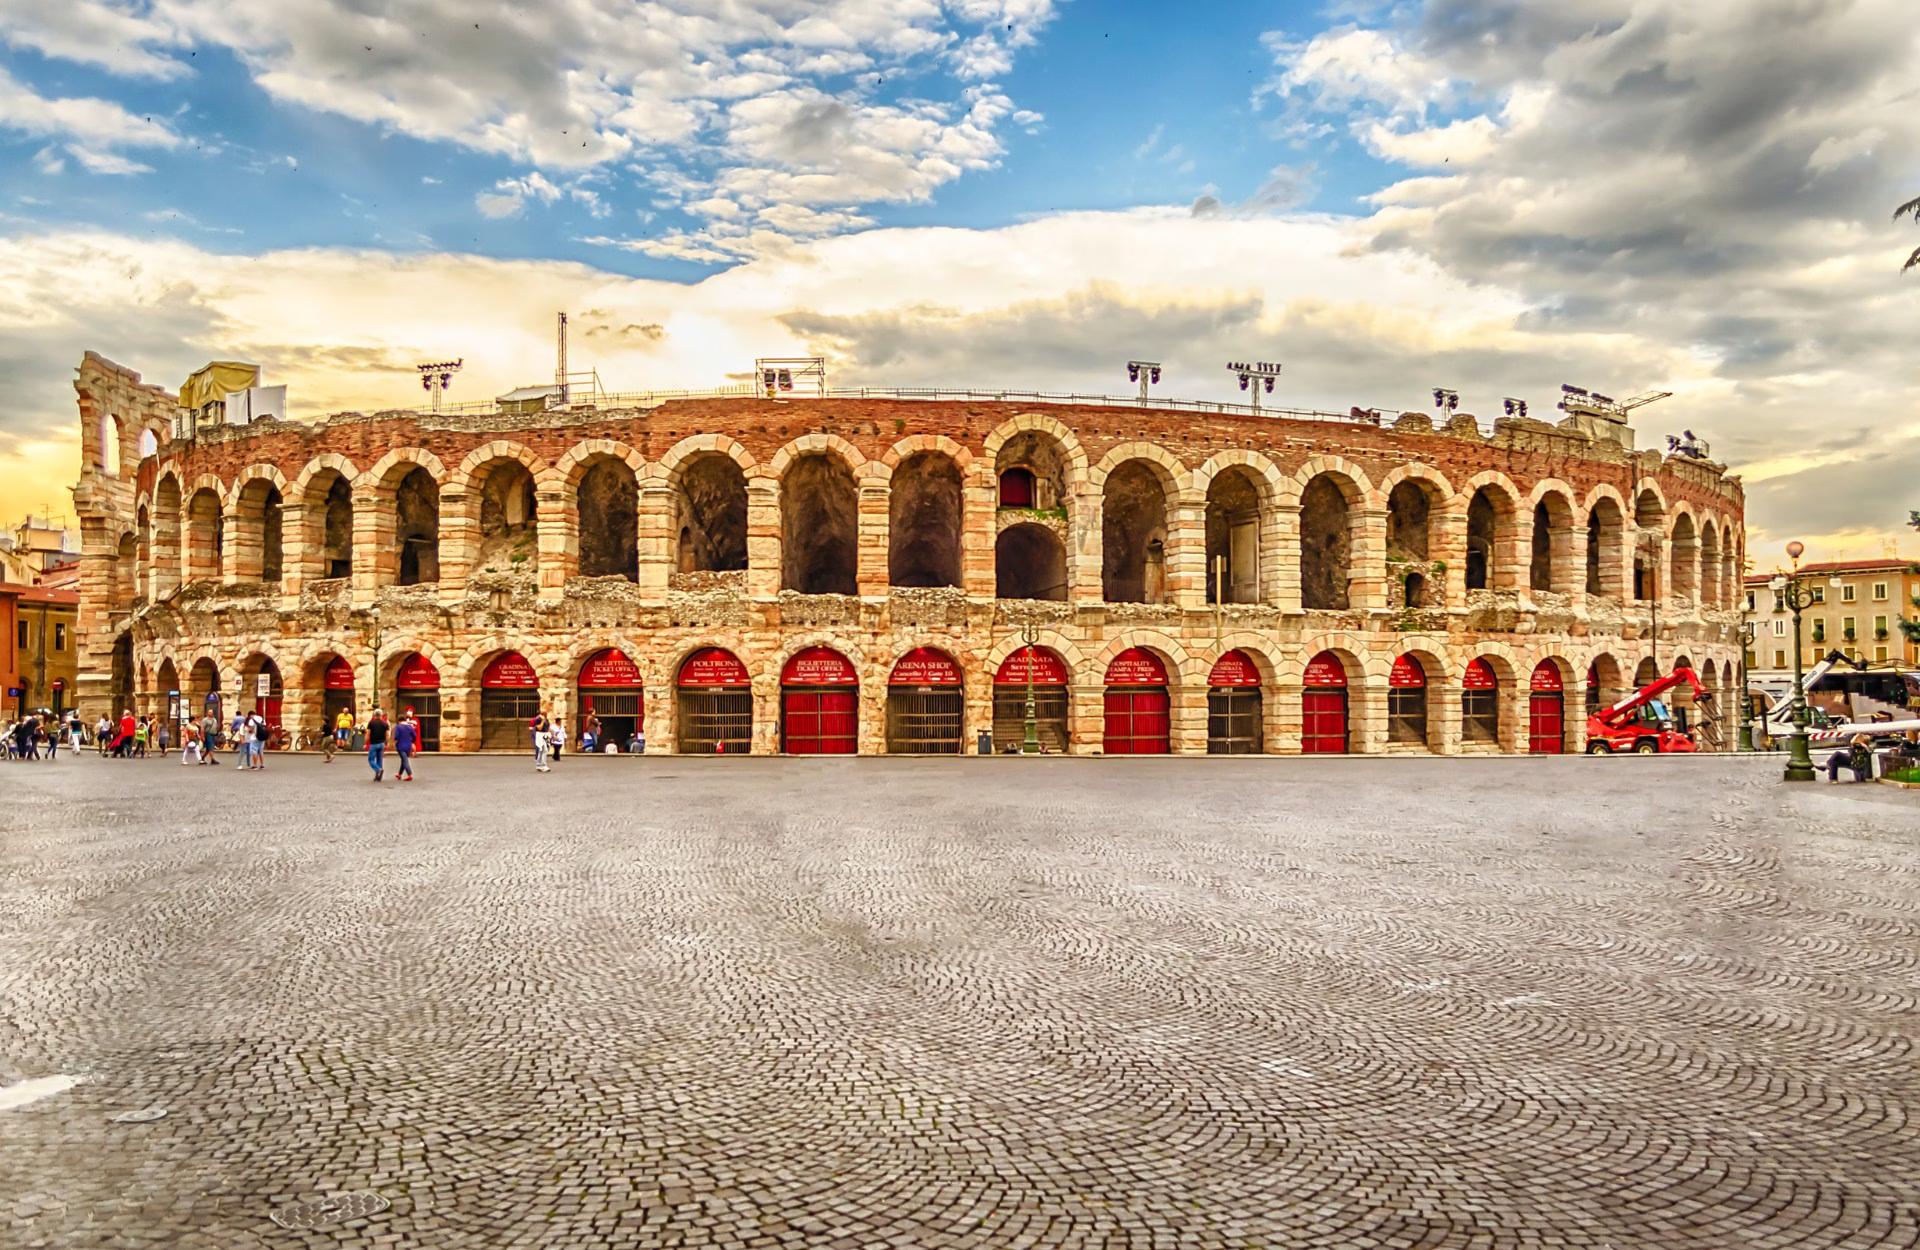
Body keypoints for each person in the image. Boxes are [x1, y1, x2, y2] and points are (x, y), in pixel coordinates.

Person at [365, 707, 390, 781]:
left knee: (371, 760)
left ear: (374, 715)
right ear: (381, 715)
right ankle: (378, 777)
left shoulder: (371, 723)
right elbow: (387, 735)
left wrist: (366, 743)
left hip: (373, 744)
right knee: (379, 760)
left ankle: (378, 770)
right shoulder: (385, 724)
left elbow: (368, 734)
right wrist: (386, 743)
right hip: (381, 743)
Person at [393, 711, 418, 782]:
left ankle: (409, 774)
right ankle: (399, 774)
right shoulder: (410, 727)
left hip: (401, 746)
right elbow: (414, 735)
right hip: (408, 746)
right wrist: (411, 741)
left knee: (405, 760)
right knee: (403, 760)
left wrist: (395, 742)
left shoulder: (398, 727)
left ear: (399, 720)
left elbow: (396, 737)